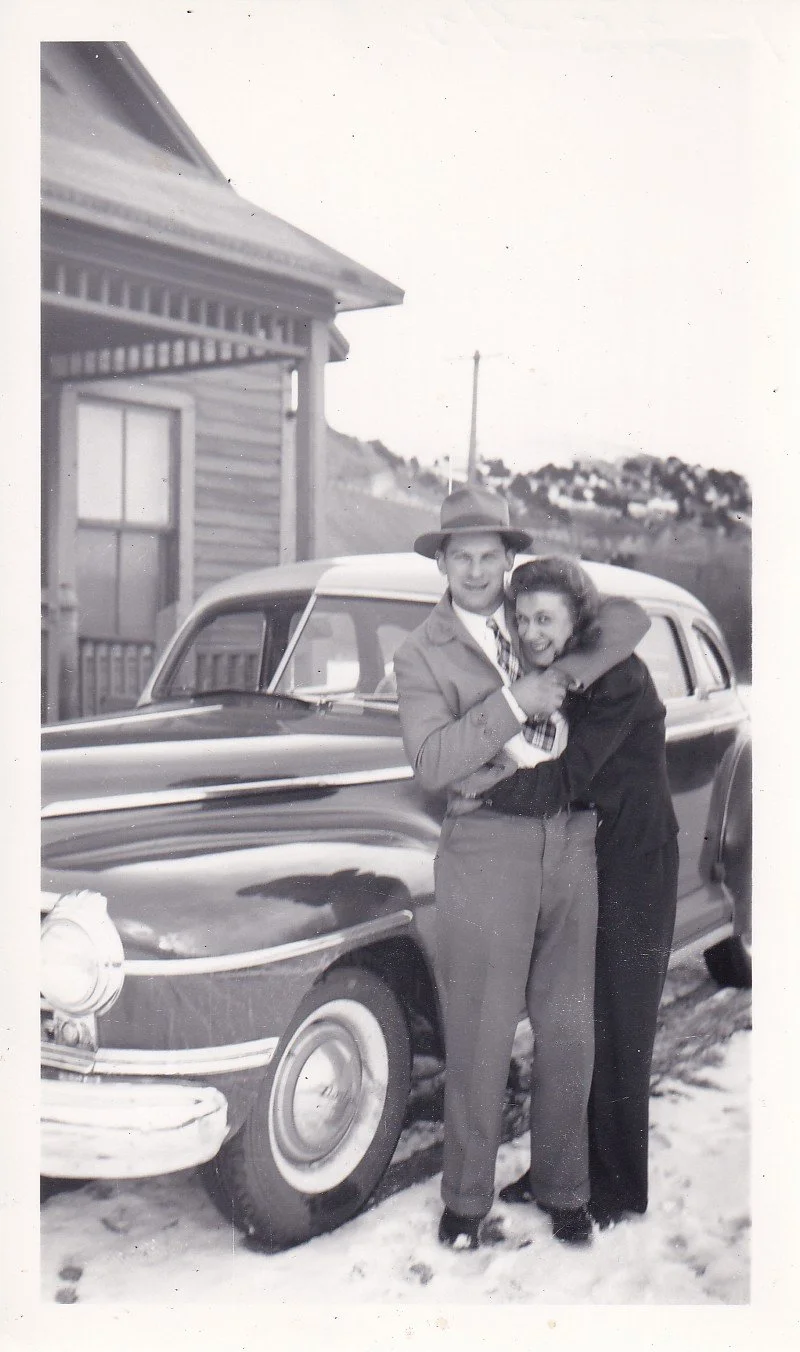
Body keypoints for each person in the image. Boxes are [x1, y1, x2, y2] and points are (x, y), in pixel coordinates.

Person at [393, 487, 649, 1249]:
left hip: (570, 842)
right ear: (441, 562)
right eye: (459, 555)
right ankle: (466, 1201)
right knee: (480, 1031)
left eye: (488, 556)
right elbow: (434, 761)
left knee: (569, 1027)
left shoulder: (536, 611)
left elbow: (628, 620)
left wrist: (562, 676)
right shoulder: (419, 652)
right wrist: (515, 702)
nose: (475, 570)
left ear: (509, 560)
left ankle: (564, 1186)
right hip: (486, 851)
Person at [457, 555, 679, 1230]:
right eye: (521, 619)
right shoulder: (561, 671)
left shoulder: (618, 680)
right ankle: (564, 1171)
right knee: (575, 1023)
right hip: (585, 853)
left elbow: (566, 780)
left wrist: (472, 787)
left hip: (635, 860)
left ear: (576, 618)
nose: (530, 632)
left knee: (619, 1025)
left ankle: (617, 1188)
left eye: (544, 618)